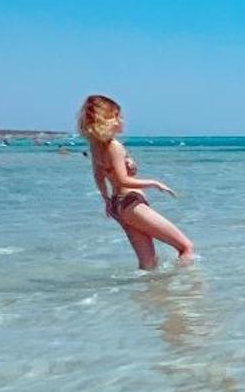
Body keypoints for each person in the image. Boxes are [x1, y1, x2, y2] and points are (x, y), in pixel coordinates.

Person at [77, 94, 195, 268]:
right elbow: (123, 180)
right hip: (131, 205)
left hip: (119, 206)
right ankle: (186, 291)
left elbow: (98, 176)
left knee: (148, 263)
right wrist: (154, 183)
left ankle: (148, 293)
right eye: (118, 116)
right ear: (109, 120)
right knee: (186, 247)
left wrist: (107, 200)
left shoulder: (96, 146)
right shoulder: (114, 146)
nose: (122, 121)